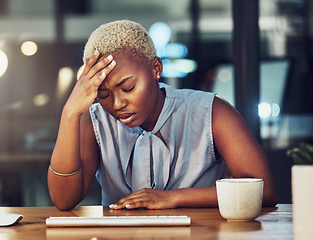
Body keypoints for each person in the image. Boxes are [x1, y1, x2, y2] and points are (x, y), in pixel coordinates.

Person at [48, 20, 278, 211]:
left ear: (156, 69)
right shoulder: (94, 121)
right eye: (104, 94)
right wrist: (70, 113)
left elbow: (265, 191)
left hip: (201, 233)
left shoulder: (212, 112)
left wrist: (173, 198)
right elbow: (64, 200)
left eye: (127, 88)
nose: (117, 104)